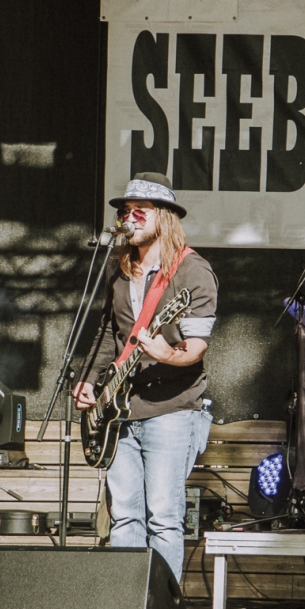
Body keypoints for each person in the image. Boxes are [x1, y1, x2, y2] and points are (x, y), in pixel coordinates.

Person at [75, 172, 219, 584]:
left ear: (165, 217)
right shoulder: (119, 269)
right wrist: (89, 378)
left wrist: (166, 354)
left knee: (164, 518)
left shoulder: (192, 271)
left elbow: (196, 348)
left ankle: (161, 608)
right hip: (120, 412)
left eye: (140, 211)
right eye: (125, 211)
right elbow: (109, 332)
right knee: (124, 516)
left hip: (171, 409)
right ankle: (127, 604)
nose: (129, 218)